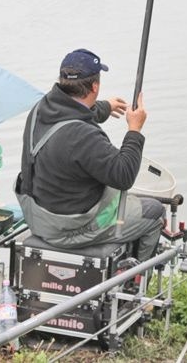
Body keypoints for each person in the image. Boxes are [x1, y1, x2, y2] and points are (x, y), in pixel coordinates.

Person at [15, 48, 165, 262]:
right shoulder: (83, 136)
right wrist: (134, 129)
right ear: (95, 86)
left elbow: (75, 113)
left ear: (63, 81)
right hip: (69, 230)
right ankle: (133, 280)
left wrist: (105, 107)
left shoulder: (42, 108)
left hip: (38, 217)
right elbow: (123, 176)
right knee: (154, 211)